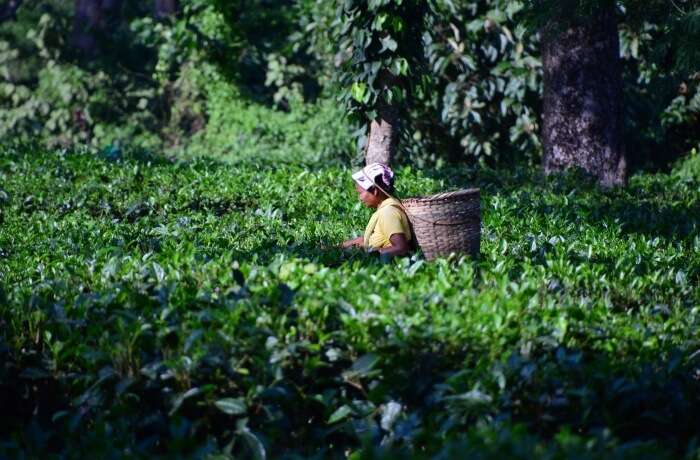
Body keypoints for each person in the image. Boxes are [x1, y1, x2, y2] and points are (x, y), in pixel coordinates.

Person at [341, 162, 413, 257]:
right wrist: (338, 247)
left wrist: (368, 252)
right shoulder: (384, 209)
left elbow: (402, 248)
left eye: (361, 193)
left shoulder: (388, 213)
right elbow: (367, 240)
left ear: (375, 191)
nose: (360, 198)